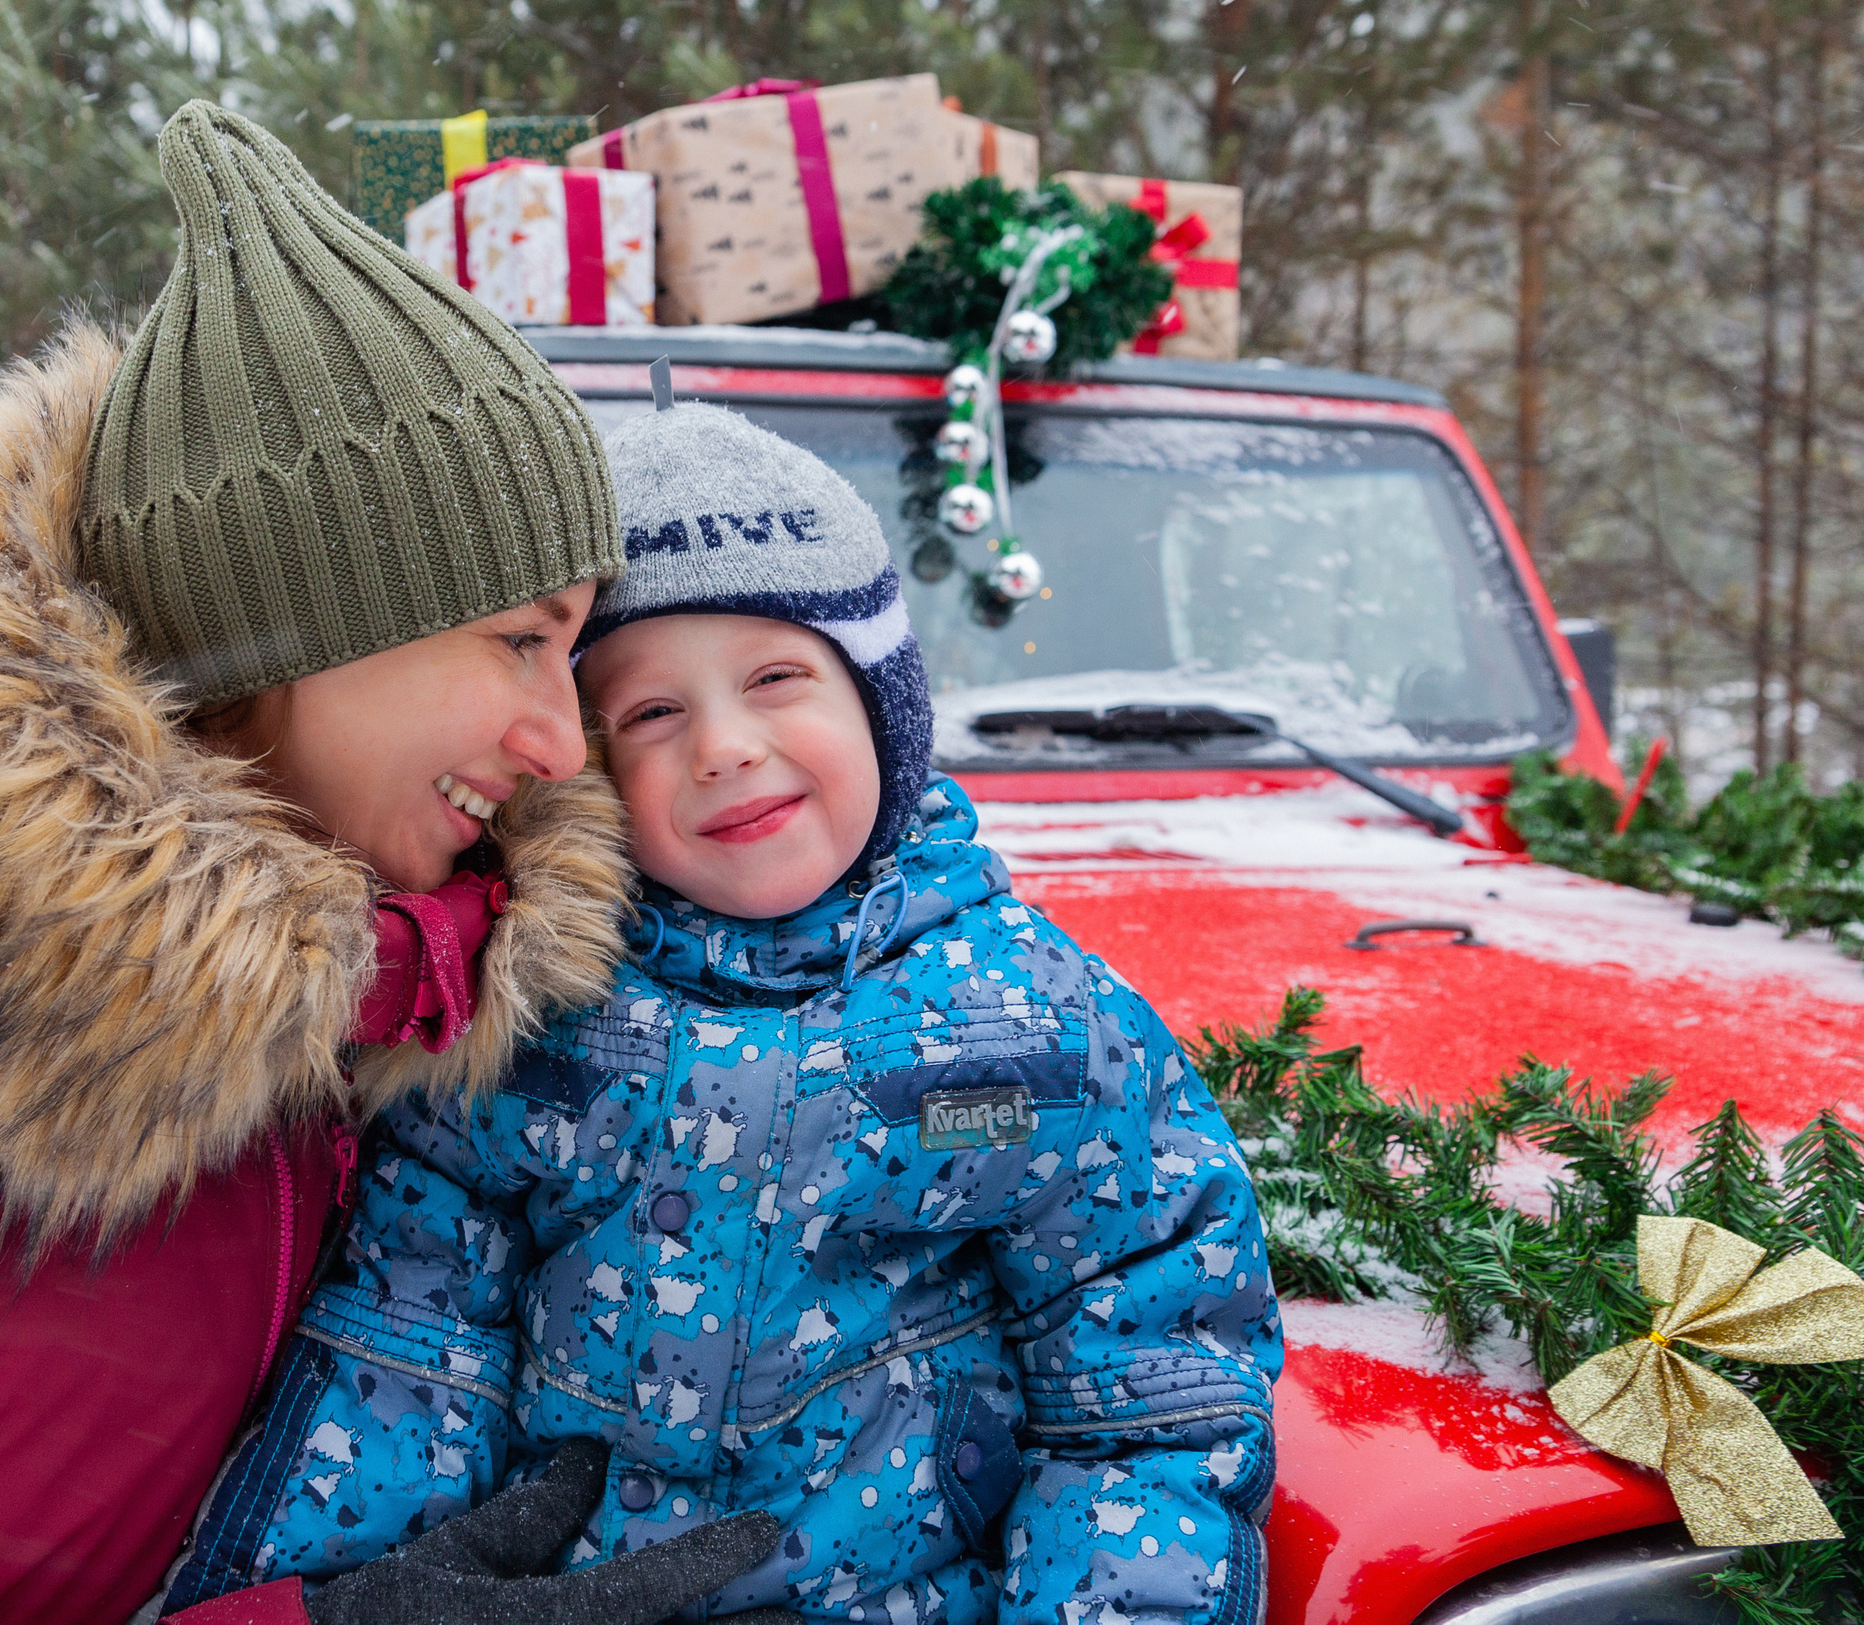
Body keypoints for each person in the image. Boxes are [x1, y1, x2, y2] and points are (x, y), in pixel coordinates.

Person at [0, 105, 771, 1625]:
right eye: (517, 639)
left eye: (573, 655)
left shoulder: (493, 996)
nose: (559, 743)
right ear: (289, 626)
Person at [179, 397, 1283, 1624]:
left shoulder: (1035, 1026)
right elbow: (404, 1350)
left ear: (882, 705)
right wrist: (334, 1597)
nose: (724, 747)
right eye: (653, 714)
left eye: (775, 678)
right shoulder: (528, 1012)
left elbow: (1144, 1394)